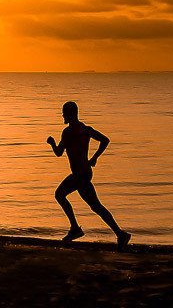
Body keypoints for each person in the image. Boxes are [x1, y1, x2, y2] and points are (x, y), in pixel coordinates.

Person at [47, 101, 130, 248]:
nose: (62, 115)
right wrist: (94, 157)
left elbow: (59, 153)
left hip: (79, 175)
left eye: (64, 113)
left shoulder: (68, 132)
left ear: (69, 114)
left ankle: (75, 229)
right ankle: (120, 234)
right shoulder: (85, 129)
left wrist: (52, 143)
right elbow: (105, 140)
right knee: (96, 206)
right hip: (85, 172)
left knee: (60, 195)